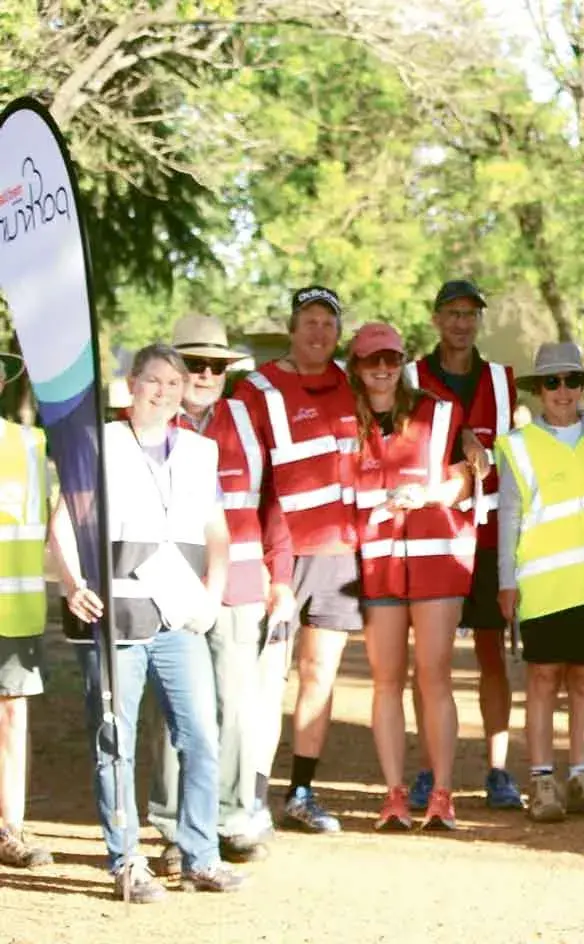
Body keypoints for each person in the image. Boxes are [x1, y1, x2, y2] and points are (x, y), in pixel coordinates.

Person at [50, 344, 245, 902]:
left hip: (179, 616)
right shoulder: (99, 445)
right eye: (152, 381)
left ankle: (200, 856)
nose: (163, 391)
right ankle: (126, 860)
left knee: (201, 738)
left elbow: (217, 533)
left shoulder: (200, 452)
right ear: (131, 385)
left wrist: (212, 593)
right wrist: (72, 584)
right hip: (114, 616)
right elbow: (63, 524)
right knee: (115, 741)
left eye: (173, 383)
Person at [147, 316, 294, 872]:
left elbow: (274, 501)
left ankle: (233, 819)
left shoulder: (248, 417)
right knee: (174, 712)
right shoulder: (147, 425)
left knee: (236, 709)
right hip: (171, 590)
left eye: (215, 365)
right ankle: (169, 826)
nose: (205, 374)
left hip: (240, 584)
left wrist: (281, 578)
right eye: (194, 364)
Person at [233, 286, 361, 834]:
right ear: (291, 327)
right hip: (275, 554)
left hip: (338, 555)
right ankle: (250, 795)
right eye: (308, 322)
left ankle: (302, 793)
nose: (318, 333)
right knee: (266, 677)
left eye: (327, 324)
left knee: (320, 674)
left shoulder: (352, 385)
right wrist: (263, 561)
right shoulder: (255, 388)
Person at [495, 342, 584, 822]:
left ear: (583, 387)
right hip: (541, 586)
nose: (562, 391)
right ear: (538, 390)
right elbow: (508, 519)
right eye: (552, 382)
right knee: (542, 681)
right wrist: (505, 582)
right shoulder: (517, 446)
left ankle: (580, 776)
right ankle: (542, 782)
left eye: (571, 381)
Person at [346, 323, 474, 832]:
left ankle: (442, 794)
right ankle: (394, 794)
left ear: (403, 362)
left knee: (435, 675)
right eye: (372, 360)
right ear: (356, 366)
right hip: (376, 564)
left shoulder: (439, 413)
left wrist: (433, 493)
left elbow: (464, 474)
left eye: (391, 359)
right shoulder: (342, 419)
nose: (382, 370)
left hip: (435, 558)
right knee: (385, 680)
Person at [401, 279, 521, 812]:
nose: (460, 323)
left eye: (470, 314)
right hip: (434, 536)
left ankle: (498, 770)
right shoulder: (410, 377)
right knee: (430, 661)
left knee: (493, 654)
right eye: (451, 312)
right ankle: (430, 766)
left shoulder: (501, 380)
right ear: (435, 318)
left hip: (491, 536)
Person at [0, 353, 53, 870]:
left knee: (12, 716)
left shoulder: (29, 444)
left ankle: (9, 829)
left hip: (13, 609)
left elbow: (49, 525)